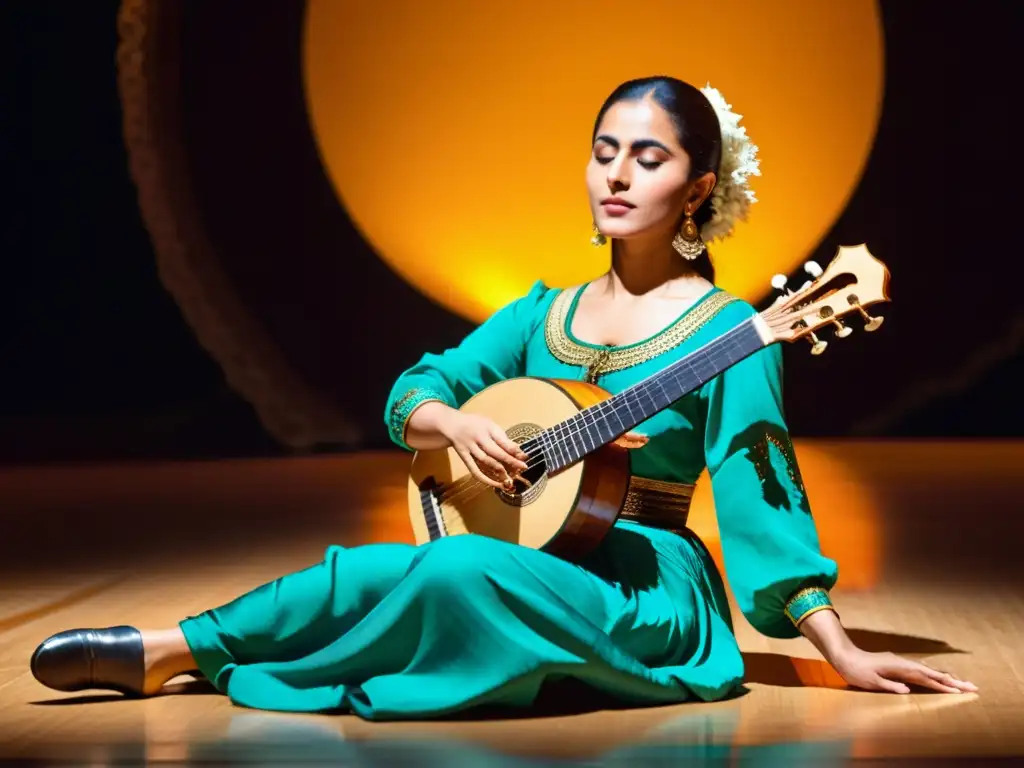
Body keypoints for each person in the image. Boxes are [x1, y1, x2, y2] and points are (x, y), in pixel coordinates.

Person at [30, 76, 976, 719]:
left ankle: (277, 669)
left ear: (698, 188)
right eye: (604, 150)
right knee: (362, 569)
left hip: (649, 584)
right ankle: (171, 646)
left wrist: (838, 650)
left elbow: (762, 497)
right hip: (539, 550)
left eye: (648, 158)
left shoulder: (734, 333)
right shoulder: (542, 314)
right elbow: (418, 390)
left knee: (454, 573)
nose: (616, 173)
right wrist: (455, 422)